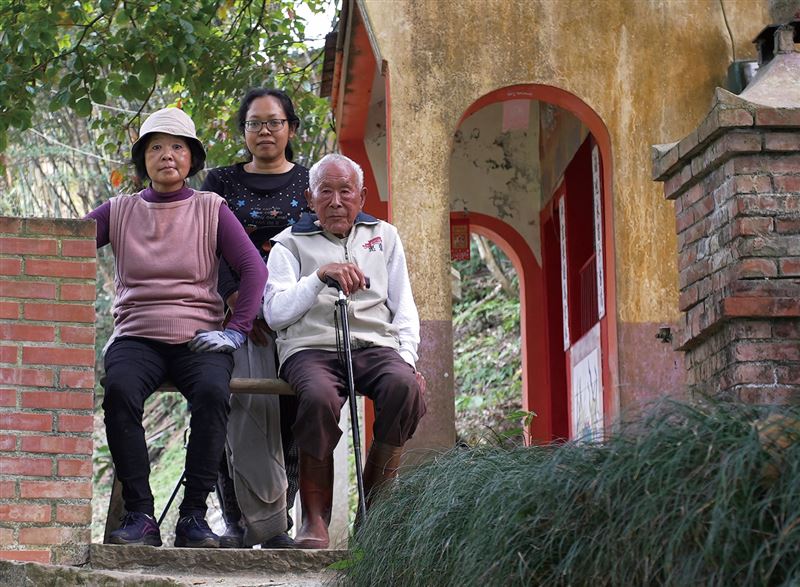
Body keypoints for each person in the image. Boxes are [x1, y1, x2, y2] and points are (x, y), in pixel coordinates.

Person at [86, 107, 267, 548]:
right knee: (119, 390)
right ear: (143, 159)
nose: (166, 155)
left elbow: (254, 270)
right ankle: (140, 515)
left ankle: (193, 518)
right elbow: (63, 244)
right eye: (156, 147)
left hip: (198, 337)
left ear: (192, 158)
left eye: (177, 147)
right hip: (135, 335)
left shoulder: (211, 208)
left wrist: (236, 330)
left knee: (212, 393)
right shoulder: (119, 210)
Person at [264, 153, 427, 549]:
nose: (336, 201)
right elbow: (275, 313)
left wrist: (407, 358)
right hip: (311, 348)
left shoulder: (384, 236)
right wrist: (319, 276)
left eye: (345, 192)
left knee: (404, 387)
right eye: (325, 192)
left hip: (374, 344)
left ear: (362, 196)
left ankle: (374, 516)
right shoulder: (288, 243)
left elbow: (404, 306)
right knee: (318, 397)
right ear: (309, 198)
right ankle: (314, 519)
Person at [201, 88, 307, 549]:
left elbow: (315, 246)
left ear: (291, 128)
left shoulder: (310, 182)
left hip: (295, 315)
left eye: (274, 122)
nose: (265, 131)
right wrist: (237, 299)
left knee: (292, 413)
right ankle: (236, 522)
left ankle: (279, 521)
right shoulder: (219, 181)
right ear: (243, 131)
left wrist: (280, 305)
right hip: (231, 312)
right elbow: (207, 242)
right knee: (231, 408)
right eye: (255, 123)